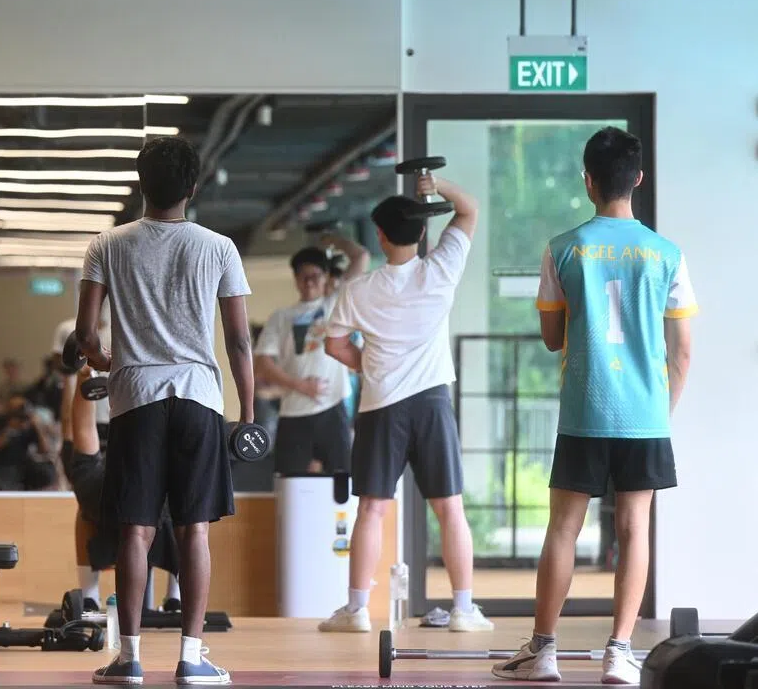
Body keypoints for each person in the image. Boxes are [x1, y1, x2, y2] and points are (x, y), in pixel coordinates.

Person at [493, 127, 695, 685]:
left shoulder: (563, 247)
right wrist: (659, 414)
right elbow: (682, 351)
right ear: (638, 179)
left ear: (588, 181)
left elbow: (552, 338)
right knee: (635, 528)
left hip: (585, 409)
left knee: (563, 528)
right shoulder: (667, 254)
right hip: (645, 416)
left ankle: (543, 651)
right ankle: (618, 654)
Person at [75, 135, 253, 686]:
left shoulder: (107, 244)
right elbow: (239, 341)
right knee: (194, 531)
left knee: (135, 532)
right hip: (199, 399)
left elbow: (85, 335)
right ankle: (191, 659)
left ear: (141, 183)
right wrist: (248, 414)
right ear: (192, 188)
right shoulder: (219, 247)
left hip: (135, 400)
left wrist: (106, 360)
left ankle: (128, 659)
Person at [319, 174, 493, 635]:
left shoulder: (358, 290)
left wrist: (369, 364)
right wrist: (438, 184)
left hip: (381, 403)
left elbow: (334, 345)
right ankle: (463, 610)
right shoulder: (441, 269)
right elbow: (469, 208)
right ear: (422, 231)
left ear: (379, 235)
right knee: (450, 508)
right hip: (432, 401)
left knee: (372, 509)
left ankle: (357, 610)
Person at [60, 365, 181, 612]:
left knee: (84, 511)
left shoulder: (92, 481)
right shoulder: (162, 476)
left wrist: (84, 378)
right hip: (152, 521)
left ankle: (90, 596)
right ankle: (176, 597)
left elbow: (82, 427)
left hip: (115, 518)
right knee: (190, 510)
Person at [254, 233, 368, 475]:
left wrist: (333, 238)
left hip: (333, 408)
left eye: (315, 276)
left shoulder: (335, 304)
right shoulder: (281, 317)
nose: (309, 282)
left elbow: (361, 257)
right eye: (303, 277)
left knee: (341, 481)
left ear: (325, 277)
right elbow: (262, 363)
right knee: (289, 482)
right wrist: (299, 385)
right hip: (293, 412)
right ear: (296, 279)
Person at [52, 305, 113, 445]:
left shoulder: (117, 330)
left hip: (110, 409)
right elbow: (60, 364)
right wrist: (84, 367)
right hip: (79, 405)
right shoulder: (67, 328)